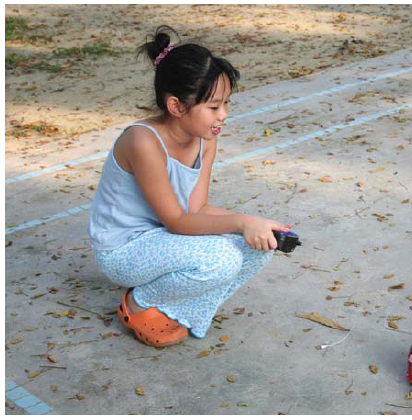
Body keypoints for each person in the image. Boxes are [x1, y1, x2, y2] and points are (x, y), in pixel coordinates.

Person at [88, 25, 291, 347]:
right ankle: (139, 303)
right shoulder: (142, 141)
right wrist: (242, 222)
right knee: (222, 259)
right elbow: (178, 221)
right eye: (213, 107)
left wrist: (257, 226)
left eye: (226, 104)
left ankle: (176, 311)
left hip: (164, 240)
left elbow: (197, 210)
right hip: (124, 250)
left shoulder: (204, 138)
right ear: (176, 106)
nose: (223, 115)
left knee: (258, 249)